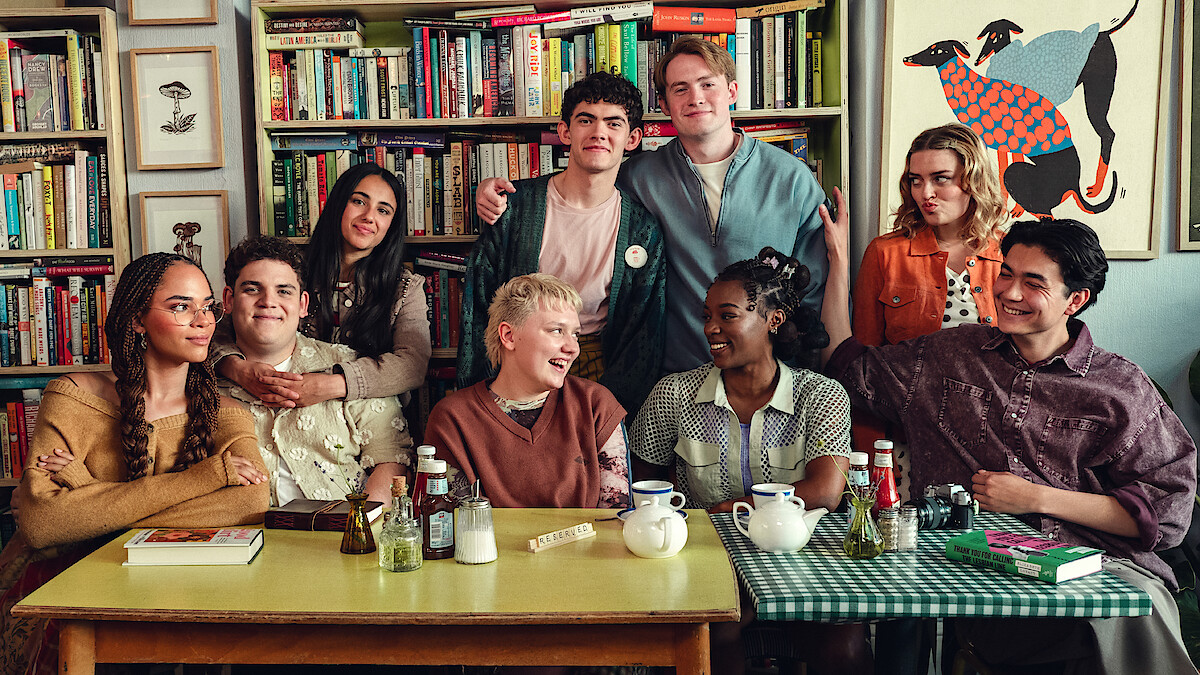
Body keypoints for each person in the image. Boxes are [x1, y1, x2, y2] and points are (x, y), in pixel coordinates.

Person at [823, 218, 1197, 674]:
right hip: (978, 579)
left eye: (1033, 283)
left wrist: (1037, 498)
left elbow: (1166, 514)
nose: (1009, 292)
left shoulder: (1121, 388)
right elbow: (848, 366)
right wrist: (839, 261)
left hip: (1096, 574)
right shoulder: (948, 355)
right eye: (1006, 273)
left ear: (1074, 300)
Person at [477, 36, 833, 375]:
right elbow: (584, 178)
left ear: (732, 92)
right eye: (680, 88)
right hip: (674, 376)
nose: (695, 97)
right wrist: (501, 193)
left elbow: (813, 287)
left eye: (708, 84)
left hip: (767, 374)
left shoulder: (792, 178)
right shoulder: (640, 176)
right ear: (664, 105)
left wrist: (800, 369)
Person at [0, 253, 270, 674]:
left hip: (185, 595)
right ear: (137, 319)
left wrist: (89, 499)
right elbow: (41, 524)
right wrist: (207, 478)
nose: (202, 320)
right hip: (68, 592)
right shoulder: (73, 396)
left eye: (207, 307)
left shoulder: (228, 413)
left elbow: (248, 505)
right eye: (180, 306)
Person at [630, 247, 865, 675]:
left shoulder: (821, 396)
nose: (711, 328)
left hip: (801, 560)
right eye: (707, 316)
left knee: (845, 647)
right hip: (707, 557)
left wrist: (732, 510)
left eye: (727, 315)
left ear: (773, 320)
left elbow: (826, 491)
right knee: (716, 632)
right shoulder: (674, 395)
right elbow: (643, 482)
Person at [459, 71, 666, 414]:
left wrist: (610, 408)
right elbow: (479, 302)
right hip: (519, 355)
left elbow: (644, 333)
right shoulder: (514, 206)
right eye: (587, 119)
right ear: (565, 131)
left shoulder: (643, 230)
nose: (599, 132)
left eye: (614, 123)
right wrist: (482, 390)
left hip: (596, 360)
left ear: (633, 138)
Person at [217, 236, 415, 507]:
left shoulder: (349, 366)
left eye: (284, 291)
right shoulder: (203, 378)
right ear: (228, 299)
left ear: (302, 304)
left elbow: (391, 459)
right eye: (252, 289)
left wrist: (359, 525)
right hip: (243, 538)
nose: (268, 301)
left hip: (341, 534)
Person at [214, 162, 431, 407]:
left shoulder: (404, 288)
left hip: (369, 417)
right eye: (359, 201)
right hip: (279, 405)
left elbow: (412, 364)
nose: (369, 217)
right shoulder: (290, 271)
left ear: (392, 224)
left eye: (383, 211)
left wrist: (331, 385)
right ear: (338, 204)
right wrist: (236, 368)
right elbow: (215, 330)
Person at [425, 274, 629, 509]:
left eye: (575, 334)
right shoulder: (452, 418)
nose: (572, 348)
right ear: (509, 336)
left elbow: (614, 519)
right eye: (556, 330)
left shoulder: (596, 404)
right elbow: (454, 525)